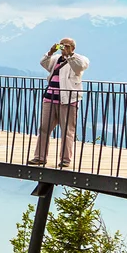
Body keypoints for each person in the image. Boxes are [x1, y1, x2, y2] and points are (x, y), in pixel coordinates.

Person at [29, 37, 89, 168]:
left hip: (68, 100)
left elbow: (79, 67)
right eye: (61, 45)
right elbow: (44, 63)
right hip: (50, 99)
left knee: (67, 131)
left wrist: (70, 55)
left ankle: (65, 159)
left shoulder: (80, 59)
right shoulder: (56, 59)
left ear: (73, 48)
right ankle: (39, 157)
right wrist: (50, 52)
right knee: (44, 128)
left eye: (66, 45)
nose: (63, 48)